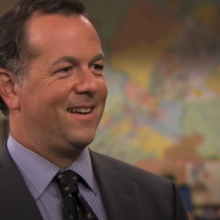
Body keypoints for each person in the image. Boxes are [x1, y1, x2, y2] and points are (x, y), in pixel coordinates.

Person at [0, 0, 189, 219]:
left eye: (96, 67)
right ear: (10, 88)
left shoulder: (161, 199)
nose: (90, 85)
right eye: (65, 69)